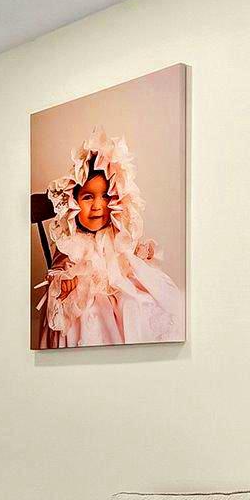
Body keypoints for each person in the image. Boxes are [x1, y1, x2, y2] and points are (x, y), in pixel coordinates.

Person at [36, 130, 185, 347]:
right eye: (88, 197)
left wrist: (139, 252)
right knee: (92, 314)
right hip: (87, 296)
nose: (97, 206)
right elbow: (59, 265)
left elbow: (126, 256)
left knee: (138, 303)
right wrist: (65, 279)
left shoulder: (115, 234)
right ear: (73, 201)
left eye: (105, 197)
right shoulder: (72, 239)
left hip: (117, 287)